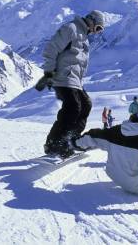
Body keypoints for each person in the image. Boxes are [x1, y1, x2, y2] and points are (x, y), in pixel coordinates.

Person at [42, 10, 105, 158]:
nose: (97, 32)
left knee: (86, 105)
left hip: (74, 80)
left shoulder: (84, 36)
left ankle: (71, 139)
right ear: (91, 21)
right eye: (98, 28)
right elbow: (51, 49)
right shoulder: (71, 28)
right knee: (73, 107)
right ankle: (54, 144)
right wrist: (49, 73)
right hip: (63, 76)